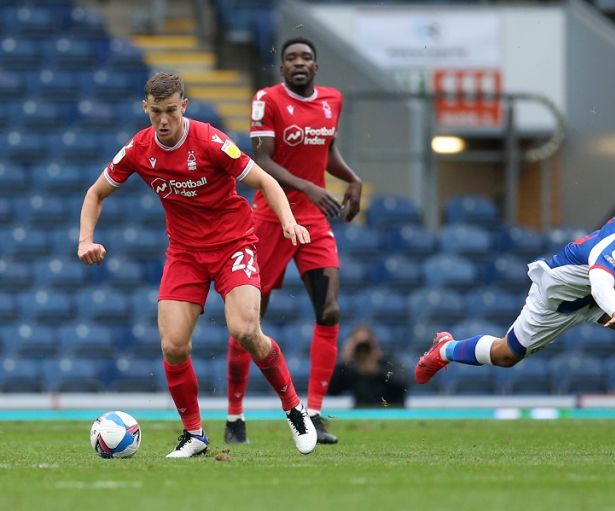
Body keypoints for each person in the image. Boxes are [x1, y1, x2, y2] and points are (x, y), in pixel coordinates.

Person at [77, 72, 317, 458]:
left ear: (183, 106)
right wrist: (85, 239)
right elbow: (96, 192)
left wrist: (288, 221)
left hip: (233, 244)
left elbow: (267, 182)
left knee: (246, 331)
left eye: (171, 110)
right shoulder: (139, 149)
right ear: (146, 109)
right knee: (173, 346)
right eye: (156, 112)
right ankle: (194, 435)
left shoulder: (211, 141)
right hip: (185, 254)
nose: (164, 120)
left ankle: (295, 409)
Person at [415, 205, 615, 440]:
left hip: (603, 297)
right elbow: (599, 280)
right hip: (557, 301)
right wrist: (614, 309)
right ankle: (446, 349)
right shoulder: (614, 247)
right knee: (506, 355)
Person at [224, 37, 363, 445]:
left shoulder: (332, 100)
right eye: (290, 58)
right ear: (281, 67)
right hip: (269, 217)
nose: (298, 63)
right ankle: (235, 417)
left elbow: (327, 150)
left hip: (314, 220)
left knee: (330, 310)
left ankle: (315, 414)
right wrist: (308, 187)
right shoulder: (266, 99)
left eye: (305, 58)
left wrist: (351, 179)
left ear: (316, 68)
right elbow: (261, 158)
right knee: (249, 323)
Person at [328, 326, 408, 408]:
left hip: (391, 413)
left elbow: (403, 384)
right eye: (358, 344)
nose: (363, 349)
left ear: (374, 343)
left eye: (366, 343)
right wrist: (343, 360)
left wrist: (377, 370)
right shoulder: (352, 368)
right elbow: (331, 390)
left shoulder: (388, 362)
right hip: (361, 415)